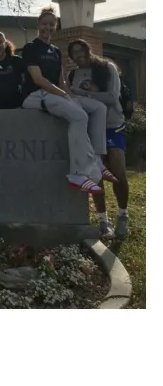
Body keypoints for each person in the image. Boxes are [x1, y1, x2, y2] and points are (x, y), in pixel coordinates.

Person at [20, 5, 117, 194]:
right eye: (45, 24)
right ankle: (77, 174)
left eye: (52, 24)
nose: (48, 27)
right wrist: (64, 96)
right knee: (79, 116)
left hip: (55, 93)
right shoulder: (31, 48)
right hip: (35, 96)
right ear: (39, 25)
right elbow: (38, 79)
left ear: (55, 26)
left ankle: (97, 160)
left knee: (98, 108)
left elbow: (61, 80)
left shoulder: (56, 51)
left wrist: (71, 96)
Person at [67, 39, 130, 238]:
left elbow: (112, 98)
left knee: (118, 170)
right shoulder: (73, 75)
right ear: (71, 57)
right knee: (96, 173)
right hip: (89, 128)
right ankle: (103, 221)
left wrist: (82, 93)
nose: (79, 55)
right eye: (74, 53)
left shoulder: (107, 68)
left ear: (88, 49)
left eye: (81, 50)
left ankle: (123, 215)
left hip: (112, 125)